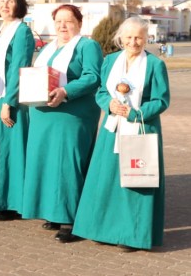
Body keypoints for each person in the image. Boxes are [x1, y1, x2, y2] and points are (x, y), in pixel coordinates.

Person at [72, 16, 170, 251]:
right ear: (121, 39)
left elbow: (161, 100)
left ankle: (133, 235)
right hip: (112, 129)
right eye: (129, 37)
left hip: (141, 129)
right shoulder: (110, 61)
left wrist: (136, 113)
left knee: (136, 184)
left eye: (139, 37)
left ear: (147, 38)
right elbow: (100, 91)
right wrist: (109, 105)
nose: (134, 42)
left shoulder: (155, 65)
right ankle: (103, 230)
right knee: (106, 180)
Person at [21, 4, 103, 242]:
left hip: (71, 114)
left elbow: (93, 76)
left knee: (68, 164)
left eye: (68, 21)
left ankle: (72, 219)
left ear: (79, 23)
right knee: (47, 163)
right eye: (58, 21)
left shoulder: (88, 46)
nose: (63, 26)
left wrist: (65, 91)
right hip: (44, 115)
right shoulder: (48, 48)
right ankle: (54, 212)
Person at [0, 0, 35, 221]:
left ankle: (13, 204)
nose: (5, 5)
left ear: (19, 5)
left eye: (10, 1)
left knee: (12, 152)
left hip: (10, 101)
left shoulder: (22, 32)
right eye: (2, 1)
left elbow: (18, 69)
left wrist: (8, 102)